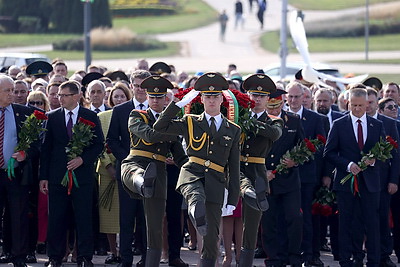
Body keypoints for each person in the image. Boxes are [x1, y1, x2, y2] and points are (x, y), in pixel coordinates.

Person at [154, 72, 241, 266]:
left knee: (211, 238)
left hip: (216, 182)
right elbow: (160, 127)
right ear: (200, 99)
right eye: (207, 96)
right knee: (196, 197)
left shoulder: (233, 130)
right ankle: (195, 210)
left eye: (215, 96)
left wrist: (233, 198)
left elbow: (234, 168)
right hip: (192, 174)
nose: (211, 100)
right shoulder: (190, 121)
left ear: (221, 99)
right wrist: (177, 103)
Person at [121, 75, 189, 267]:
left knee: (155, 226)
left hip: (158, 172)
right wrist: (176, 130)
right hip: (136, 162)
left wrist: (193, 171)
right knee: (134, 173)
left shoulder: (172, 123)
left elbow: (180, 155)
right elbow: (149, 136)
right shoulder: (136, 115)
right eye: (152, 97)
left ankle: (152, 263)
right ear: (148, 98)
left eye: (159, 98)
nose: (156, 101)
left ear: (166, 100)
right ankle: (142, 182)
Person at [39, 80, 104, 267]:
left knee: (83, 217)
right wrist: (43, 177)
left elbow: (98, 144)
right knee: (57, 218)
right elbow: (46, 149)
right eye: (58, 95)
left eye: (64, 95)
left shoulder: (90, 116)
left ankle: (84, 257)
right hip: (57, 177)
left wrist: (83, 159)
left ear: (76, 96)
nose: (60, 98)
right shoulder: (51, 117)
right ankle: (55, 257)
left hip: (82, 176)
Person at [324, 87, 385, 267]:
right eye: (354, 105)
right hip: (346, 184)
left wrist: (373, 161)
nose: (357, 109)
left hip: (370, 183)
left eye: (360, 105)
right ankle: (346, 259)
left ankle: (373, 260)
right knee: (346, 222)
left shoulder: (377, 125)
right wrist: (348, 165)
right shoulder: (339, 124)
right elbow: (329, 152)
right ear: (347, 103)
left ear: (367, 104)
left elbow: (385, 153)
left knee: (371, 223)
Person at [236, 74, 283, 267]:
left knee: (252, 223)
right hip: (235, 169)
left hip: (256, 173)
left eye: (262, 96)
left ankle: (245, 261)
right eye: (253, 95)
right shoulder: (236, 117)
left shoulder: (274, 120)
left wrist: (248, 121)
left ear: (268, 99)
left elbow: (274, 134)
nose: (257, 99)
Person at [107, 70, 152, 267]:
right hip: (126, 173)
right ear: (131, 86)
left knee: (146, 220)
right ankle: (125, 259)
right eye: (137, 85)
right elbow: (111, 140)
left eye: (144, 85)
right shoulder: (120, 110)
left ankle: (146, 258)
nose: (140, 89)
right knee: (126, 219)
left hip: (151, 173)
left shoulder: (156, 109)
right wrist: (129, 159)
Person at [352, 88, 399, 267]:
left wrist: (393, 180)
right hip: (358, 181)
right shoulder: (353, 122)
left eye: (371, 103)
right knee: (359, 219)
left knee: (381, 219)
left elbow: (395, 155)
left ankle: (384, 255)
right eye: (366, 103)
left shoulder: (387, 123)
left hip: (382, 180)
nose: (368, 106)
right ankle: (359, 254)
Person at [262, 88, 304, 267]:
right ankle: (273, 257)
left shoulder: (293, 120)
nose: (273, 111)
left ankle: (293, 255)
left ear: (282, 103)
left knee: (294, 218)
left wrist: (294, 161)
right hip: (267, 179)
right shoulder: (259, 122)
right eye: (270, 107)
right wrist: (262, 171)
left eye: (276, 107)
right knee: (269, 221)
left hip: (289, 179)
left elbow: (303, 147)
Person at [0, 75, 39, 267]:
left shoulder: (23, 112)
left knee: (18, 216)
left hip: (14, 174)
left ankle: (19, 256)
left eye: (13, 90)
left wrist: (26, 154)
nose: (12, 94)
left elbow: (36, 142)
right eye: (7, 91)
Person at [286, 81, 326, 267]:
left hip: (307, 176)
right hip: (284, 176)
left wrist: (301, 157)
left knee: (306, 218)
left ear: (304, 98)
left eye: (297, 97)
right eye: (290, 96)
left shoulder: (316, 119)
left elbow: (321, 148)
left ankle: (308, 254)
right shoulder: (281, 116)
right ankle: (288, 253)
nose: (293, 100)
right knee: (288, 216)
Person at [97, 83, 132, 265]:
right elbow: (102, 143)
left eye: (122, 96)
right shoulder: (102, 116)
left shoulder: (133, 112)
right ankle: (114, 251)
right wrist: (109, 165)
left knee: (130, 216)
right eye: (115, 96)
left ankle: (132, 248)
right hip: (109, 170)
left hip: (131, 171)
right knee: (111, 216)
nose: (118, 99)